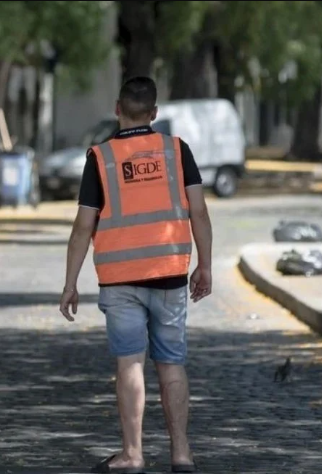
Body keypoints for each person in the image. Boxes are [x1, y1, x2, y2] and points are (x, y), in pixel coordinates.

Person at [59, 76, 212, 474]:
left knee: (130, 363)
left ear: (117, 109)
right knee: (171, 362)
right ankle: (182, 454)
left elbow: (83, 227)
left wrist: (70, 283)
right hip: (169, 274)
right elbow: (198, 211)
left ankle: (133, 455)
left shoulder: (101, 157)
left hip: (120, 278)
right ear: (154, 113)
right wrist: (205, 265)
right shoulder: (176, 150)